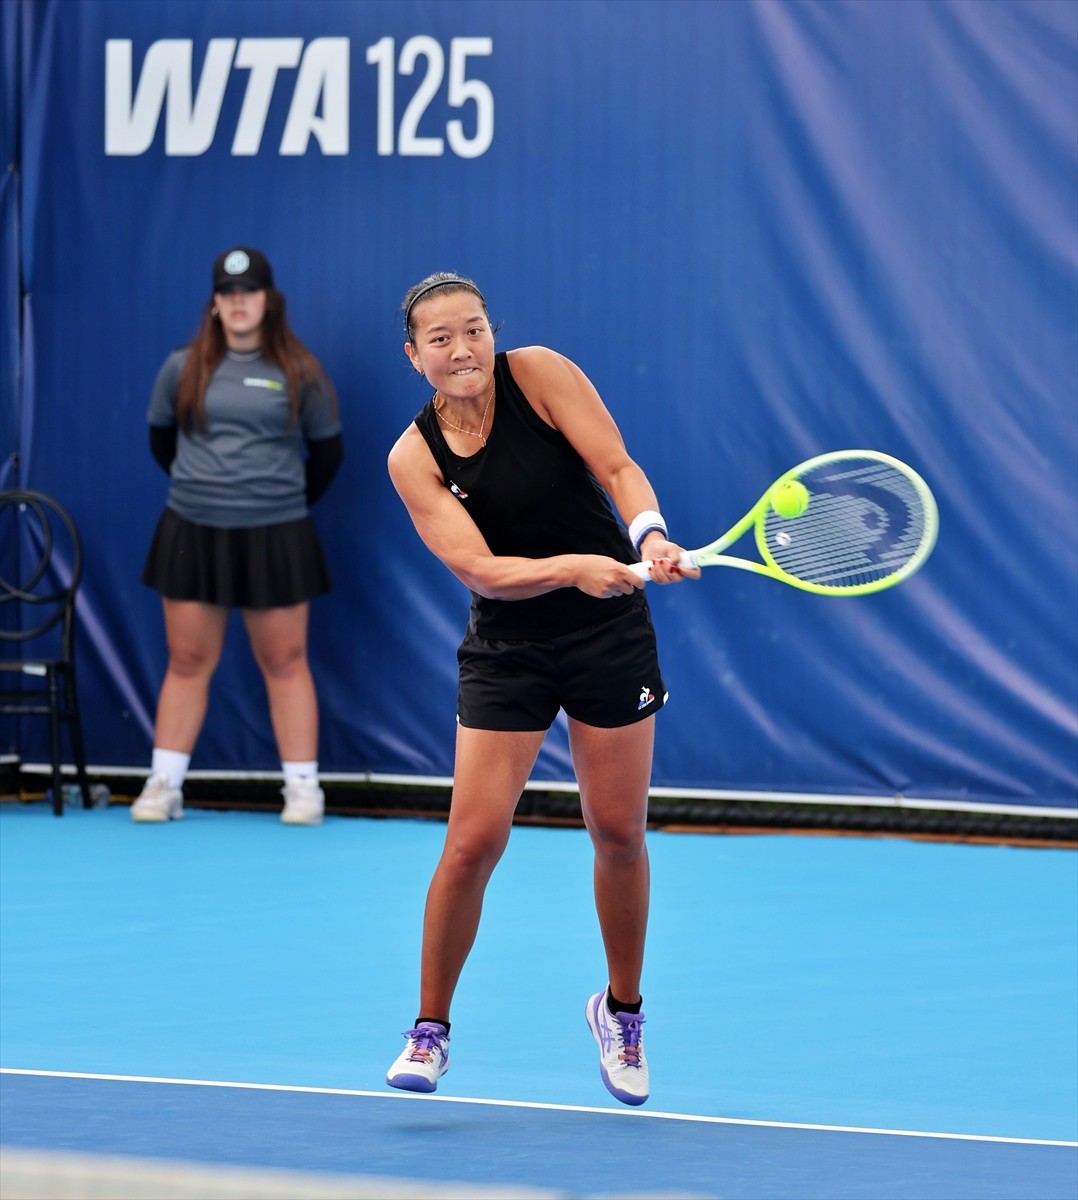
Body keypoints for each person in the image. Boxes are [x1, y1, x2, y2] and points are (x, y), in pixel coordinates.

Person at [384, 272, 697, 1106]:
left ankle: (621, 1010)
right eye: (441, 339)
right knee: (473, 842)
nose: (463, 349)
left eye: (474, 330)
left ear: (493, 332)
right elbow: (481, 569)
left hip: (609, 635)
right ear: (415, 358)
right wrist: (573, 569)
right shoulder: (413, 458)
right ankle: (429, 1030)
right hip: (510, 647)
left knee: (619, 833)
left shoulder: (542, 373)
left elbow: (618, 465)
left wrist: (649, 534)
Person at [131, 246, 343, 826]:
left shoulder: (301, 371)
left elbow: (326, 456)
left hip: (277, 533)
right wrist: (210, 490)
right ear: (216, 304)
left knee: (285, 659)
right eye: (227, 293)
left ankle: (303, 790)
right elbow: (162, 441)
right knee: (186, 658)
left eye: (249, 292)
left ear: (268, 301)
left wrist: (269, 497)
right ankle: (164, 785)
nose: (238, 302)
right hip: (192, 529)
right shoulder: (182, 367)